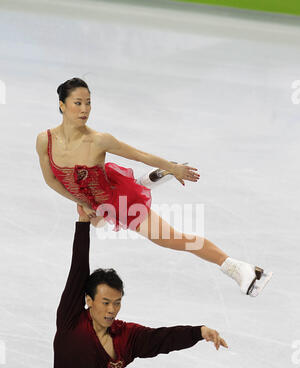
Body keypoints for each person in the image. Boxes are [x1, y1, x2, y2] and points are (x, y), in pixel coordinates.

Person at [36, 77, 272, 297]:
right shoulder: (45, 140)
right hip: (96, 199)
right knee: (97, 221)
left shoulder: (98, 139)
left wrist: (174, 167)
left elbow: (139, 154)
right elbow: (51, 180)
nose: (85, 109)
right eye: (78, 103)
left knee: (169, 238)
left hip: (119, 201)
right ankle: (143, 181)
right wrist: (82, 202)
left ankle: (236, 267)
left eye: (88, 103)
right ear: (62, 105)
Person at [30, 205, 228, 368]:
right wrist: (82, 223)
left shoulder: (126, 337)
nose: (111, 310)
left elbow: (160, 339)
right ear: (89, 300)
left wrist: (198, 332)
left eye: (117, 303)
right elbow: (78, 267)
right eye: (105, 303)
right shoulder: (72, 321)